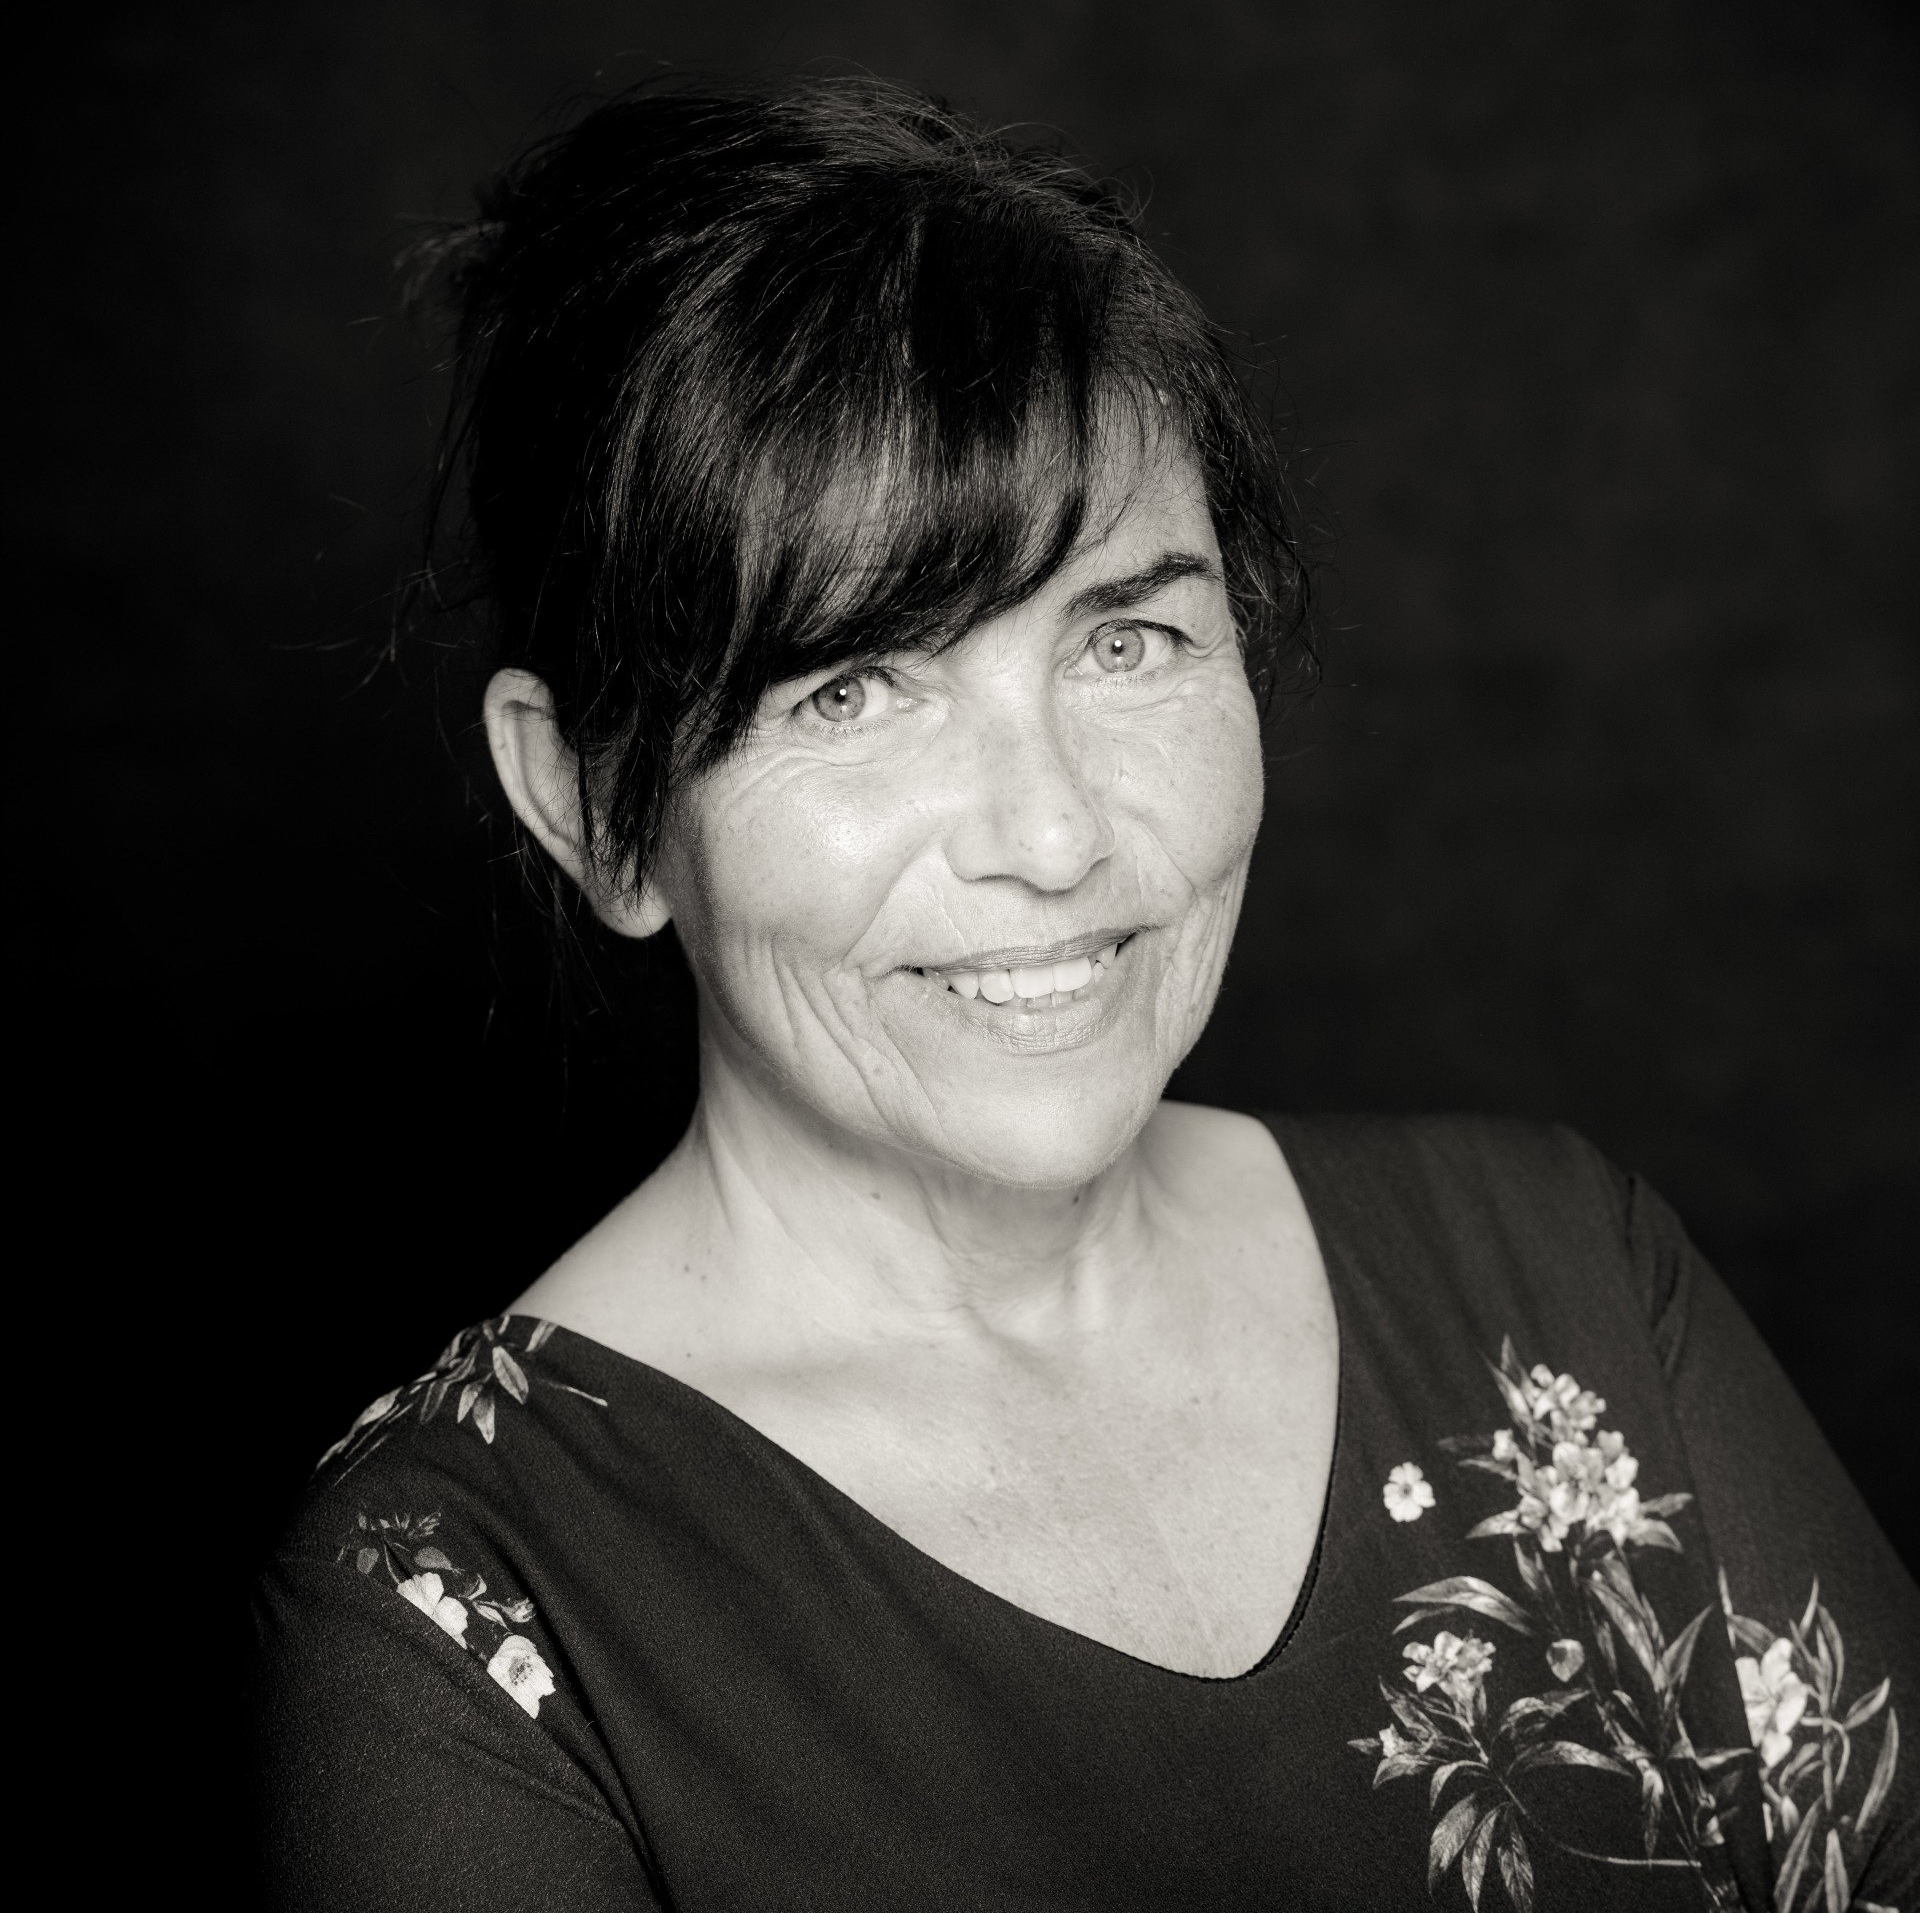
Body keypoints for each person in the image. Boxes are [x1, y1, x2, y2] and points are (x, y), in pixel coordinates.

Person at [252, 77, 1916, 1911]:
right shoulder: (452, 1610)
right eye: (850, 689)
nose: (1051, 836)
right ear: (593, 807)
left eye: (1128, 640)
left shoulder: (1564, 1268)